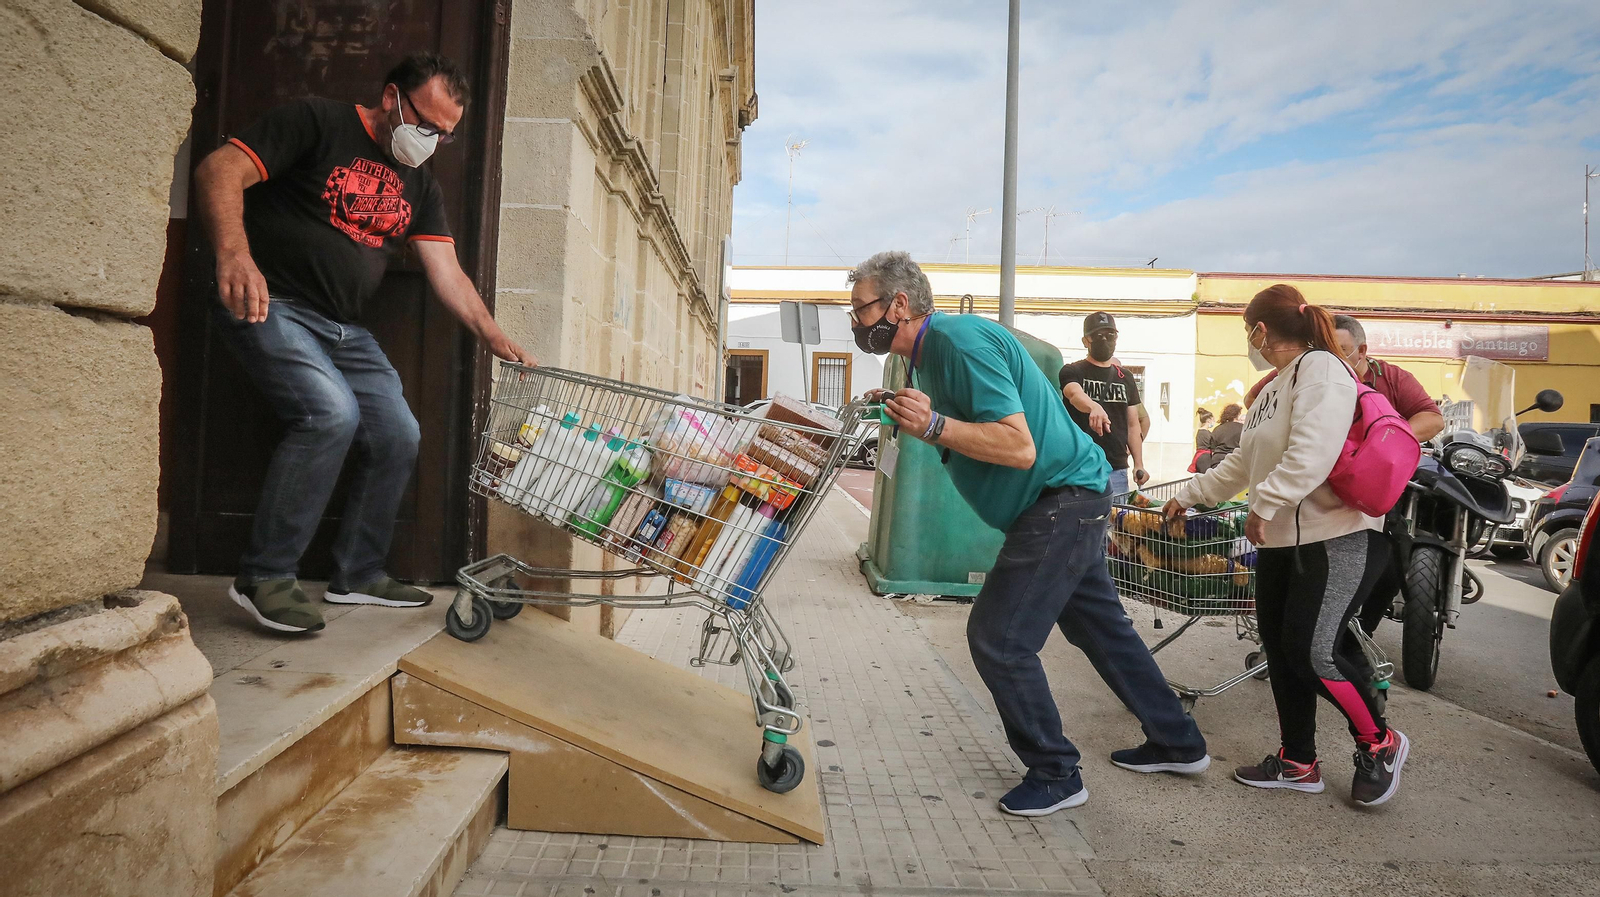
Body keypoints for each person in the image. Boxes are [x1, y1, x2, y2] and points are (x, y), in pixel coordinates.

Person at [850, 252, 1208, 817]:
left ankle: (1056, 772)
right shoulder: (928, 358)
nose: (856, 322)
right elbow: (969, 432)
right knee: (1104, 631)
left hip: (1059, 502)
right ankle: (1179, 741)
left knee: (999, 639)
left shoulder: (958, 340)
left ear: (898, 305)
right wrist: (922, 419)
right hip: (1070, 498)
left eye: (861, 308)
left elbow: (1018, 447)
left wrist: (935, 426)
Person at [194, 52, 536, 634]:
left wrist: (495, 336)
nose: (429, 139)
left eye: (444, 135)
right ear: (390, 97)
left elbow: (446, 271)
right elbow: (218, 170)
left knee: (399, 432)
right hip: (272, 303)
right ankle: (265, 576)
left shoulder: (420, 181)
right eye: (424, 123)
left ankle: (359, 573)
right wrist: (234, 254)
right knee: (330, 415)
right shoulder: (316, 122)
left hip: (343, 328)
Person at [1163, 284, 1409, 807]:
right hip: (1283, 539)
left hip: (1338, 534)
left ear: (1260, 330)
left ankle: (1380, 743)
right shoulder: (1276, 385)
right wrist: (1190, 495)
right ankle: (1298, 760)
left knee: (1315, 652)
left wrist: (1264, 503)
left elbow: (1313, 451)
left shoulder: (1321, 370)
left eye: (1246, 331)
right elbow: (1244, 462)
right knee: (1281, 651)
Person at [1244, 315, 1443, 443]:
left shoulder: (1393, 377)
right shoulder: (1301, 367)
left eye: (1340, 351)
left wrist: (1383, 442)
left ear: (1362, 351)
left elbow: (1432, 419)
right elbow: (1252, 399)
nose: (1330, 359)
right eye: (1323, 351)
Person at [1060, 313, 1148, 495]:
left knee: (1117, 521)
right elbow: (1072, 393)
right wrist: (1093, 406)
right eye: (1098, 336)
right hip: (1081, 467)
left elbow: (1133, 424)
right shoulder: (1072, 370)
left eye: (1110, 335)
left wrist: (1138, 464)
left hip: (1116, 467)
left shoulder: (1126, 377)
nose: (1105, 340)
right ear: (1086, 341)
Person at [1199, 404, 1243, 473]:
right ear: (1237, 414)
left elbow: (1213, 448)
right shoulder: (1243, 428)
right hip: (1235, 462)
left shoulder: (1217, 429)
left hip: (1217, 463)